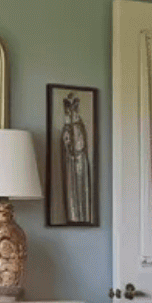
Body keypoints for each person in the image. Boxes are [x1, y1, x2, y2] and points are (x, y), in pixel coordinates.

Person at [60, 93, 93, 224]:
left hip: (79, 163)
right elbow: (67, 144)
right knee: (72, 193)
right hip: (71, 164)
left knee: (80, 191)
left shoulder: (78, 127)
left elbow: (80, 145)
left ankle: (81, 216)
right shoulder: (67, 128)